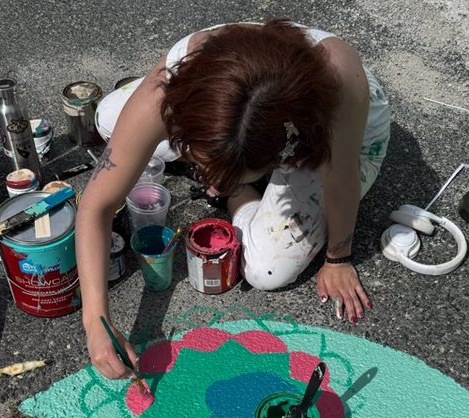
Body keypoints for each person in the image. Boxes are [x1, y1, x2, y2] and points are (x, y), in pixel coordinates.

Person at [76, 19, 390, 380]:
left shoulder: (338, 83)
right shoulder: (164, 92)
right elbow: (96, 204)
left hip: (348, 134)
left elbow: (341, 178)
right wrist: (95, 321)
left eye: (231, 175)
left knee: (268, 269)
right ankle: (233, 177)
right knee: (108, 119)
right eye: (202, 163)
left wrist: (339, 257)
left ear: (279, 157)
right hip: (236, 111)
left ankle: (242, 195)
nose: (210, 181)